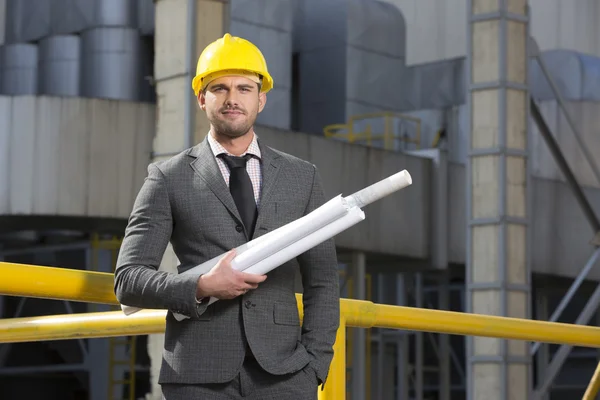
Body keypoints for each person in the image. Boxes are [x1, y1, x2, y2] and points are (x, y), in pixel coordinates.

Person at [114, 33, 340, 400]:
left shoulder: (302, 177)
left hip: (285, 376)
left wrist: (314, 365)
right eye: (219, 88)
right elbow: (129, 280)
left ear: (261, 99)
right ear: (202, 98)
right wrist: (201, 286)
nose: (232, 99)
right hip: (197, 377)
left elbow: (324, 281)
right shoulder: (167, 178)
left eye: (244, 88)